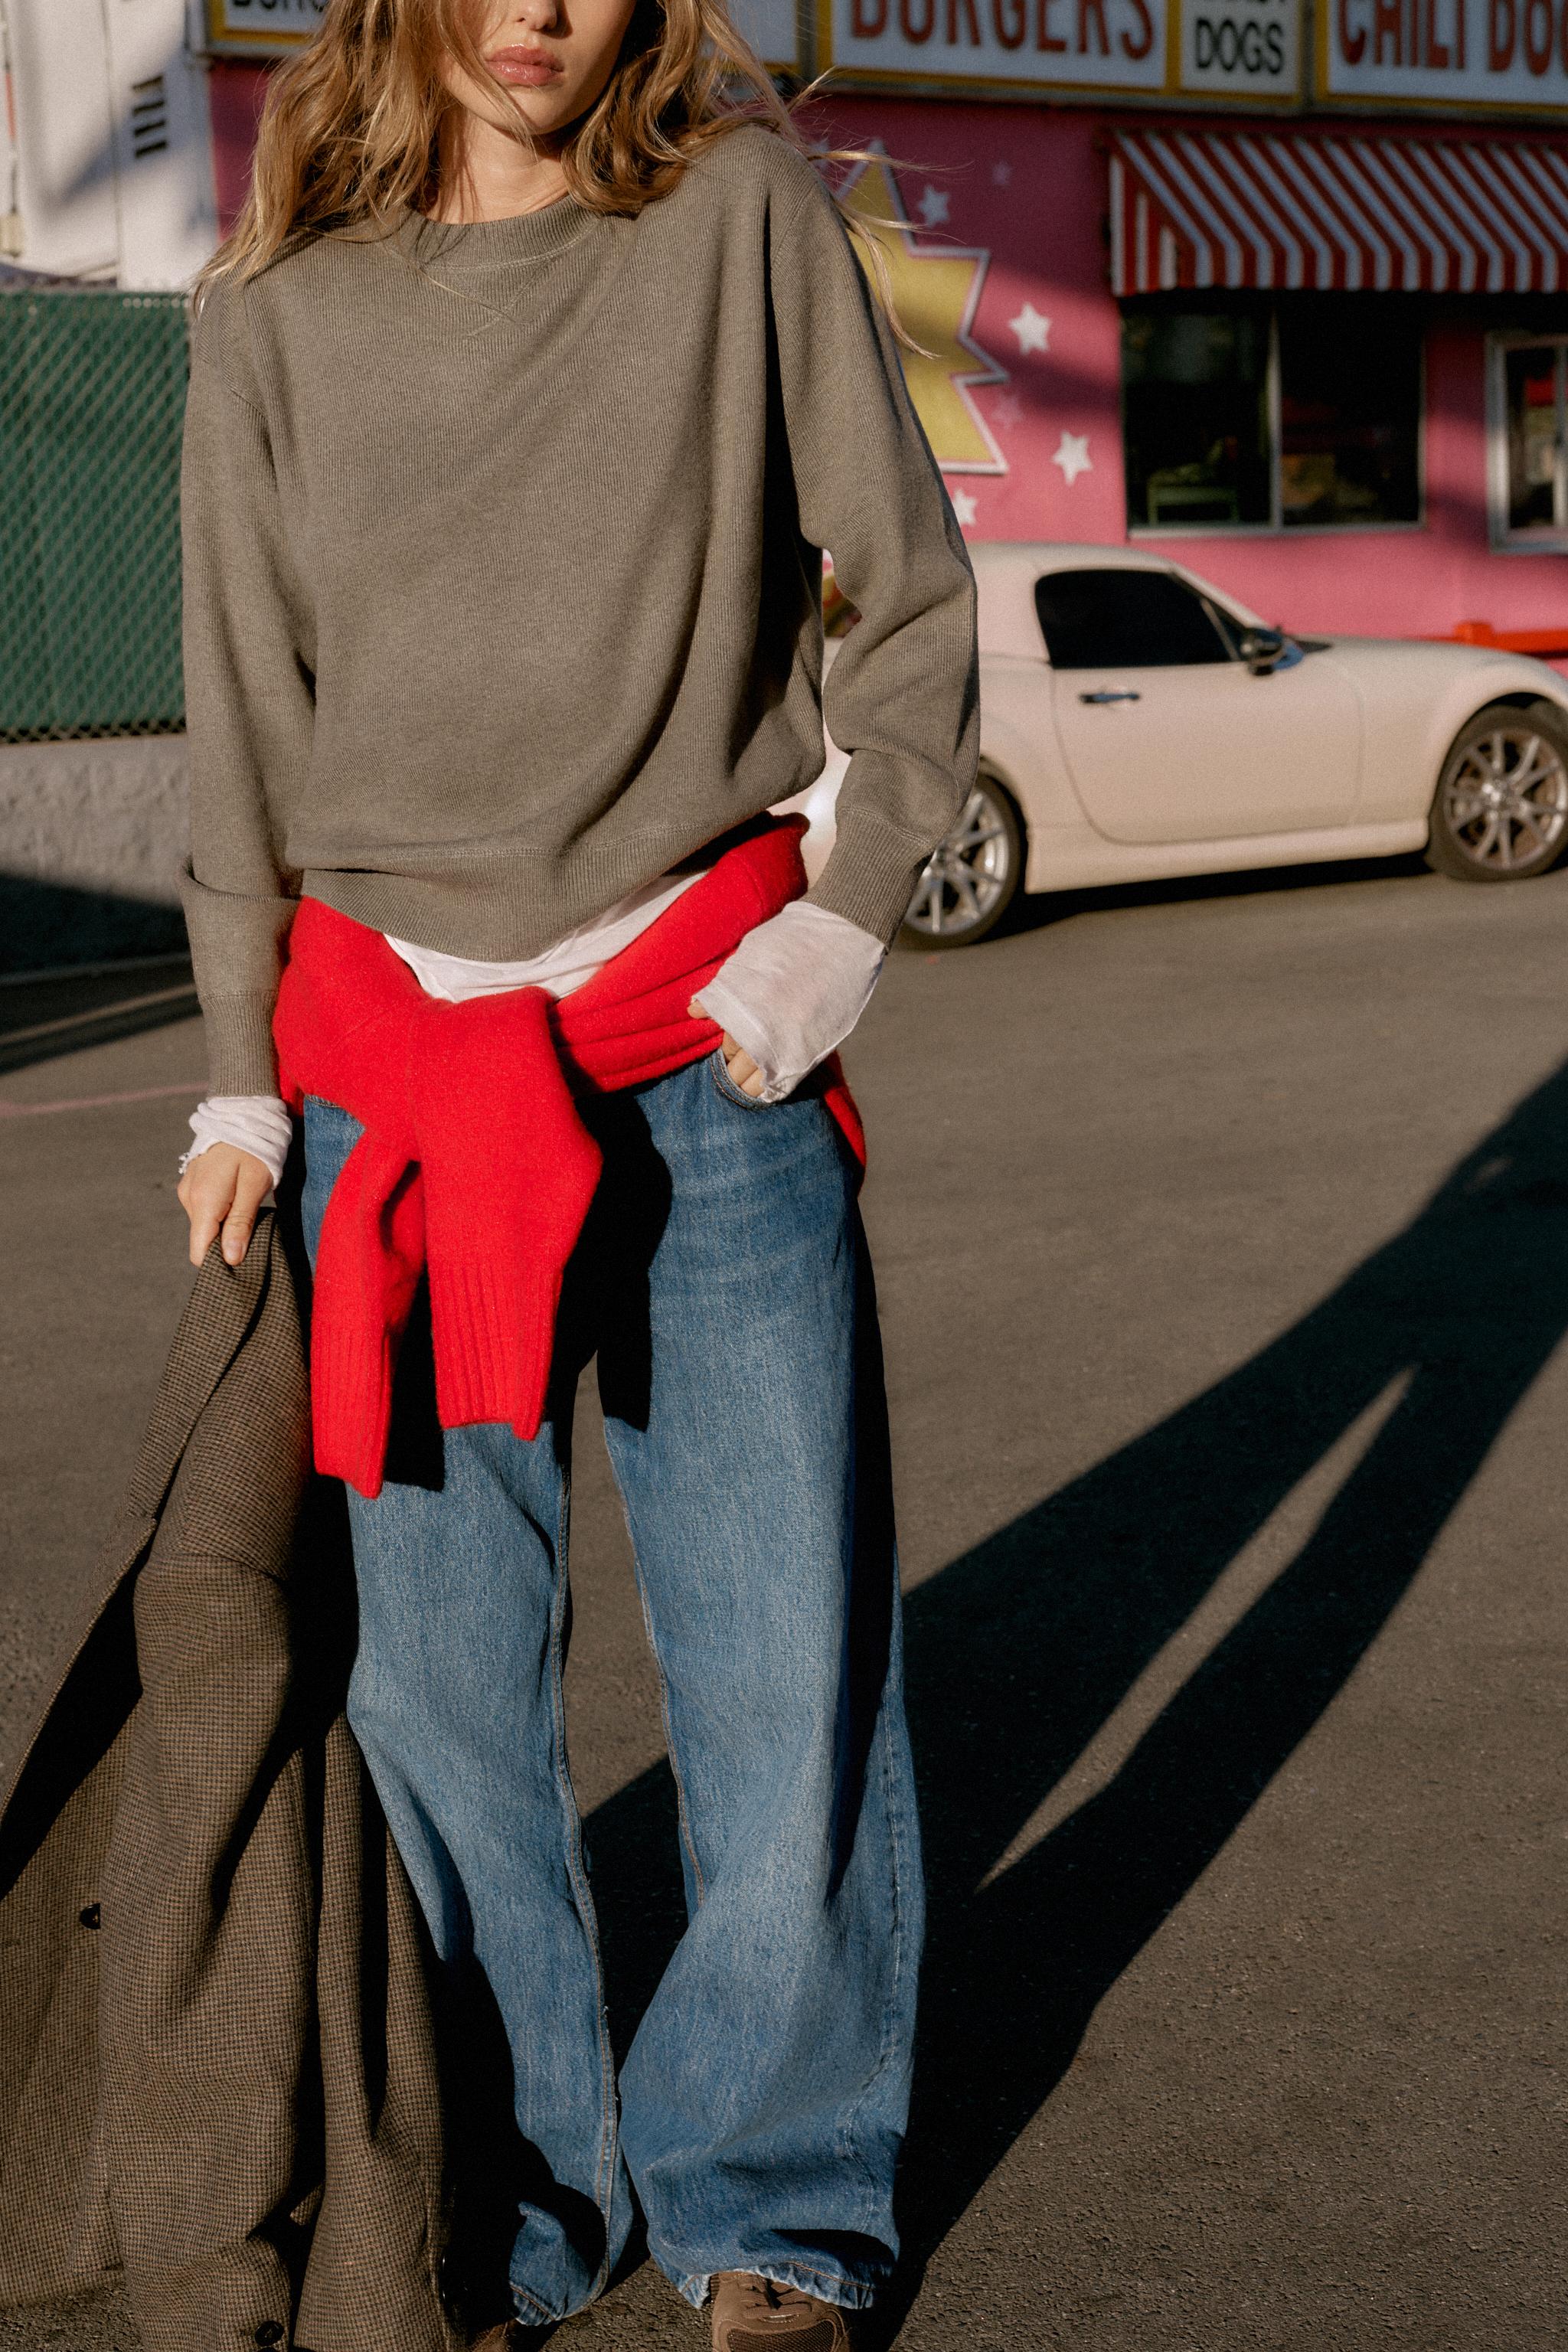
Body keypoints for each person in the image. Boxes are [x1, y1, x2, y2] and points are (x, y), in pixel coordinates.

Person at [174, 0, 977, 2342]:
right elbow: (240, 720)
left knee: (785, 1649)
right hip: (394, 1085)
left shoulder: (739, 218)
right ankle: (512, 2190)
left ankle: (776, 2193)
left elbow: (912, 593)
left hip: (707, 1040)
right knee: (434, 1702)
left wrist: (848, 915)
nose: (541, 6)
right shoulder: (277, 312)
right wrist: (235, 1082)